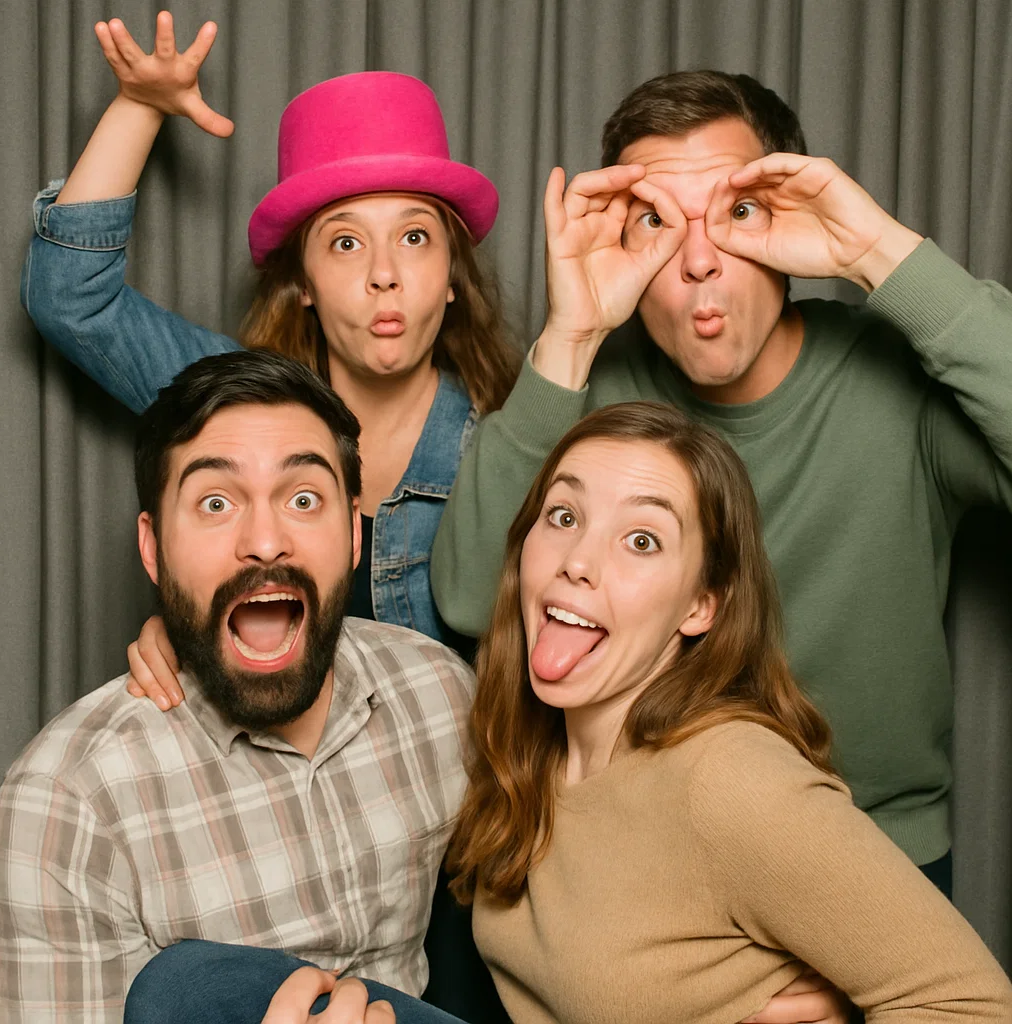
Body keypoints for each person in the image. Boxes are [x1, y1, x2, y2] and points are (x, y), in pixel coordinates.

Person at [429, 70, 1012, 892]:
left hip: (873, 855)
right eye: (660, 224)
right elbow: (467, 597)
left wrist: (877, 252)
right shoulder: (592, 385)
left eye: (737, 213)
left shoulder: (896, 378)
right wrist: (571, 335)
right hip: (646, 855)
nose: (699, 260)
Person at [265, 401, 1012, 1022]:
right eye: (563, 515)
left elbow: (971, 1004)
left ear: (700, 605)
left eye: (642, 540)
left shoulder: (731, 780)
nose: (578, 561)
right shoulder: (523, 745)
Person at [21, 12, 517, 671]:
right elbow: (69, 297)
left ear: (453, 274)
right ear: (303, 282)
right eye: (346, 242)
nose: (384, 274)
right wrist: (139, 108)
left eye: (414, 236)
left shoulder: (513, 448)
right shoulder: (235, 402)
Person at [0, 350, 473, 1024]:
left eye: (304, 499)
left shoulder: (441, 696)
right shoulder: (70, 804)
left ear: (353, 534)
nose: (266, 542)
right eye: (215, 503)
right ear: (154, 549)